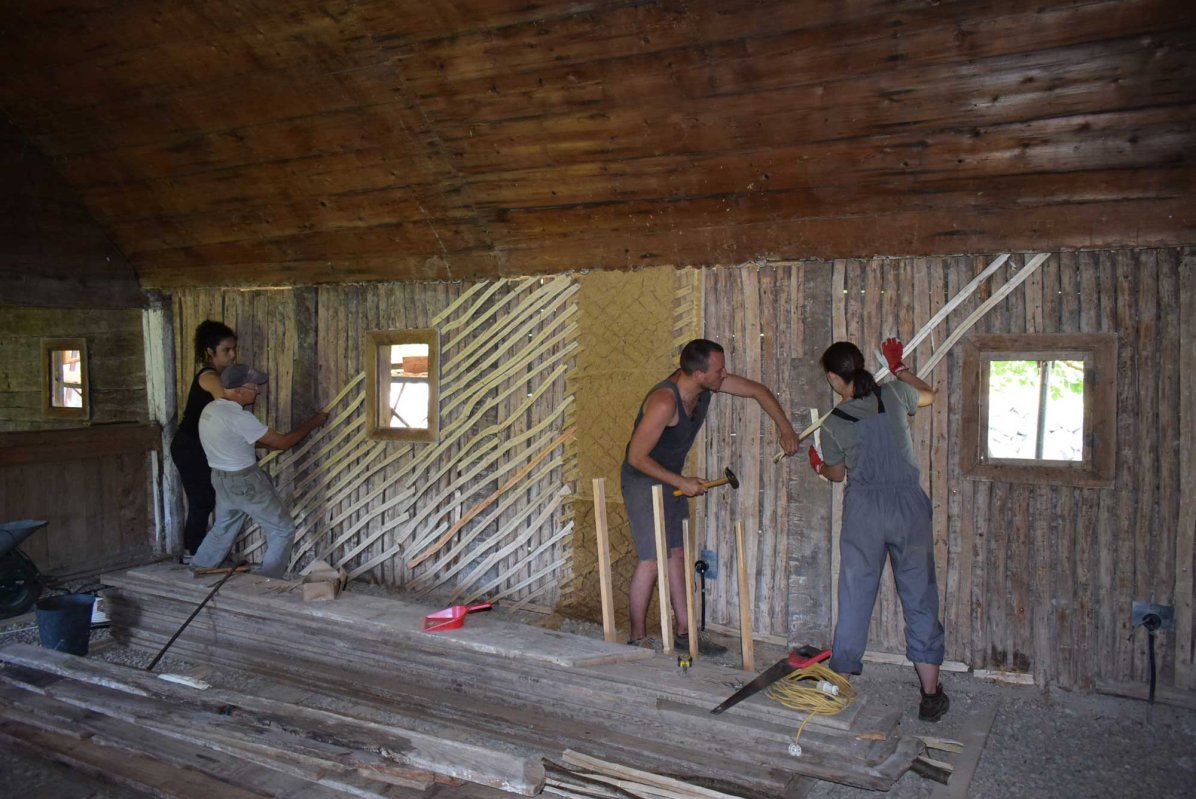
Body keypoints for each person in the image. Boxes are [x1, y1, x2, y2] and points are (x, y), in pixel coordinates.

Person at [621, 339, 801, 653]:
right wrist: (681, 481)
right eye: (719, 370)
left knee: (677, 554)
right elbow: (636, 456)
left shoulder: (708, 385)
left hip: (672, 478)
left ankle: (684, 634)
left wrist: (785, 429)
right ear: (699, 374)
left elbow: (759, 391)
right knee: (652, 559)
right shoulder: (665, 401)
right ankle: (636, 639)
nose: (725, 374)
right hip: (641, 479)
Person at [808, 337, 949, 722]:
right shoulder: (896, 394)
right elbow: (929, 395)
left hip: (865, 511)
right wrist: (899, 366)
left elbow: (837, 476)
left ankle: (839, 684)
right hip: (908, 508)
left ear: (835, 378)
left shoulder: (835, 421)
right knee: (919, 594)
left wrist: (818, 464)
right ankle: (931, 695)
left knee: (855, 594)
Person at [190, 363, 329, 579]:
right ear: (237, 390)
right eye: (253, 386)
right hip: (245, 481)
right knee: (282, 530)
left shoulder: (210, 411)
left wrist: (265, 443)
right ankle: (267, 581)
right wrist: (314, 422)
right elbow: (283, 442)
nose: (257, 390)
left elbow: (236, 441)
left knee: (224, 527)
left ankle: (198, 568)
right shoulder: (241, 418)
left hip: (220, 478)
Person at [170, 320, 237, 562]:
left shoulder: (215, 376)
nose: (232, 355)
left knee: (206, 497)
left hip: (201, 446)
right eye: (225, 350)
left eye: (232, 349)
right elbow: (227, 405)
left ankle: (199, 550)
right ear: (210, 352)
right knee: (202, 498)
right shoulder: (209, 377)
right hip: (189, 445)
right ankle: (193, 553)